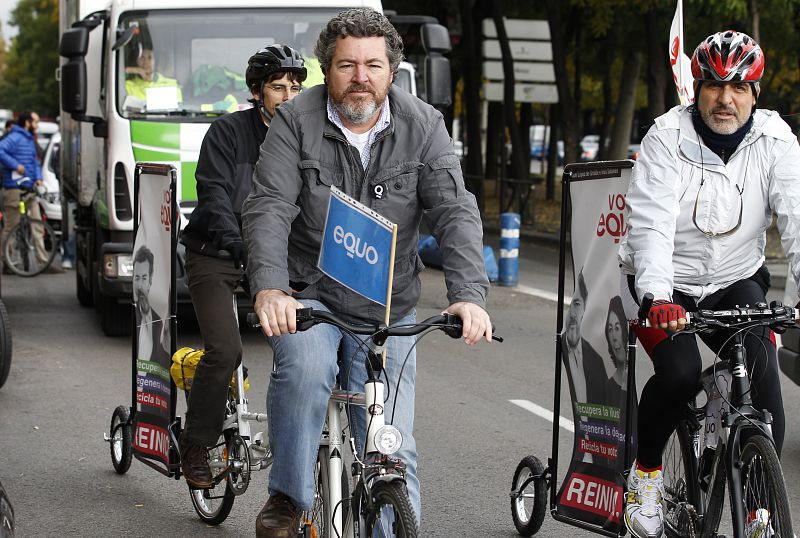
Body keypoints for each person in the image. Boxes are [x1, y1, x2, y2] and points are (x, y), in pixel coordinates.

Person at [242, 8, 492, 537]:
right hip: (310, 294)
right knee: (305, 372)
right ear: (327, 70)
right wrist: (270, 289)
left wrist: (469, 295)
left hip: (387, 304)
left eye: (373, 66)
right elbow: (269, 207)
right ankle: (288, 495)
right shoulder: (295, 121)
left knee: (392, 445)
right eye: (347, 65)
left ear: (391, 71)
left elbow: (454, 210)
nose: (360, 77)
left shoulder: (425, 125)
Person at [618, 30, 800, 538]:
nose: (726, 99)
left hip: (735, 278)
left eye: (739, 87)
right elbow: (651, 225)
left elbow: (798, 219)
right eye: (715, 86)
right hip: (667, 285)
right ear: (696, 89)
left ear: (755, 94)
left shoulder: (776, 141)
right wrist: (657, 297)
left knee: (764, 392)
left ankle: (761, 515)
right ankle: (646, 476)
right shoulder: (666, 136)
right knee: (678, 376)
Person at [177, 45, 307, 490]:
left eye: (295, 88)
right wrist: (240, 245)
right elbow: (213, 194)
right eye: (278, 88)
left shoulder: (306, 136)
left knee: (308, 347)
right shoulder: (228, 132)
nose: (288, 97)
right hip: (215, 253)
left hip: (273, 258)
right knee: (225, 350)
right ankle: (196, 443)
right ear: (256, 92)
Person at [0, 111, 51, 271]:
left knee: (37, 225)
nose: (37, 125)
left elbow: (34, 162)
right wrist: (16, 166)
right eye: (34, 122)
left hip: (29, 188)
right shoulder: (15, 137)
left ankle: (44, 262)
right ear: (27, 123)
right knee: (11, 226)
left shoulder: (29, 140)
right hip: (14, 189)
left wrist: (38, 178)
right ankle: (7, 261)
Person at [563, 270, 605, 405]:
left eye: (577, 305)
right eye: (572, 304)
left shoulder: (596, 359)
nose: (572, 314)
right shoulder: (560, 345)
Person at [133, 245, 168, 363]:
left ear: (150, 280)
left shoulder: (159, 320)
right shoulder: (134, 315)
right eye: (137, 278)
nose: (140, 286)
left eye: (144, 278)